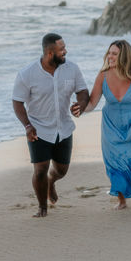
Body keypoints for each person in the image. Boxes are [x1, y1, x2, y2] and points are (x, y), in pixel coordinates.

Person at [71, 40, 131, 210]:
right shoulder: (102, 76)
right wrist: (80, 109)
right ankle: (121, 200)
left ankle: (129, 186)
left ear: (124, 56)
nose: (110, 56)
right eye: (109, 53)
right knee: (114, 163)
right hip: (111, 125)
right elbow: (92, 103)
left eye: (114, 54)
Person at [12, 33, 89, 217]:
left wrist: (81, 105)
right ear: (49, 53)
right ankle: (42, 208)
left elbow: (83, 92)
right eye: (61, 49)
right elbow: (17, 102)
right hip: (38, 129)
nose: (66, 52)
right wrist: (27, 126)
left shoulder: (72, 69)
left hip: (64, 128)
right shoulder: (27, 74)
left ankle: (52, 182)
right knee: (40, 170)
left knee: (61, 170)